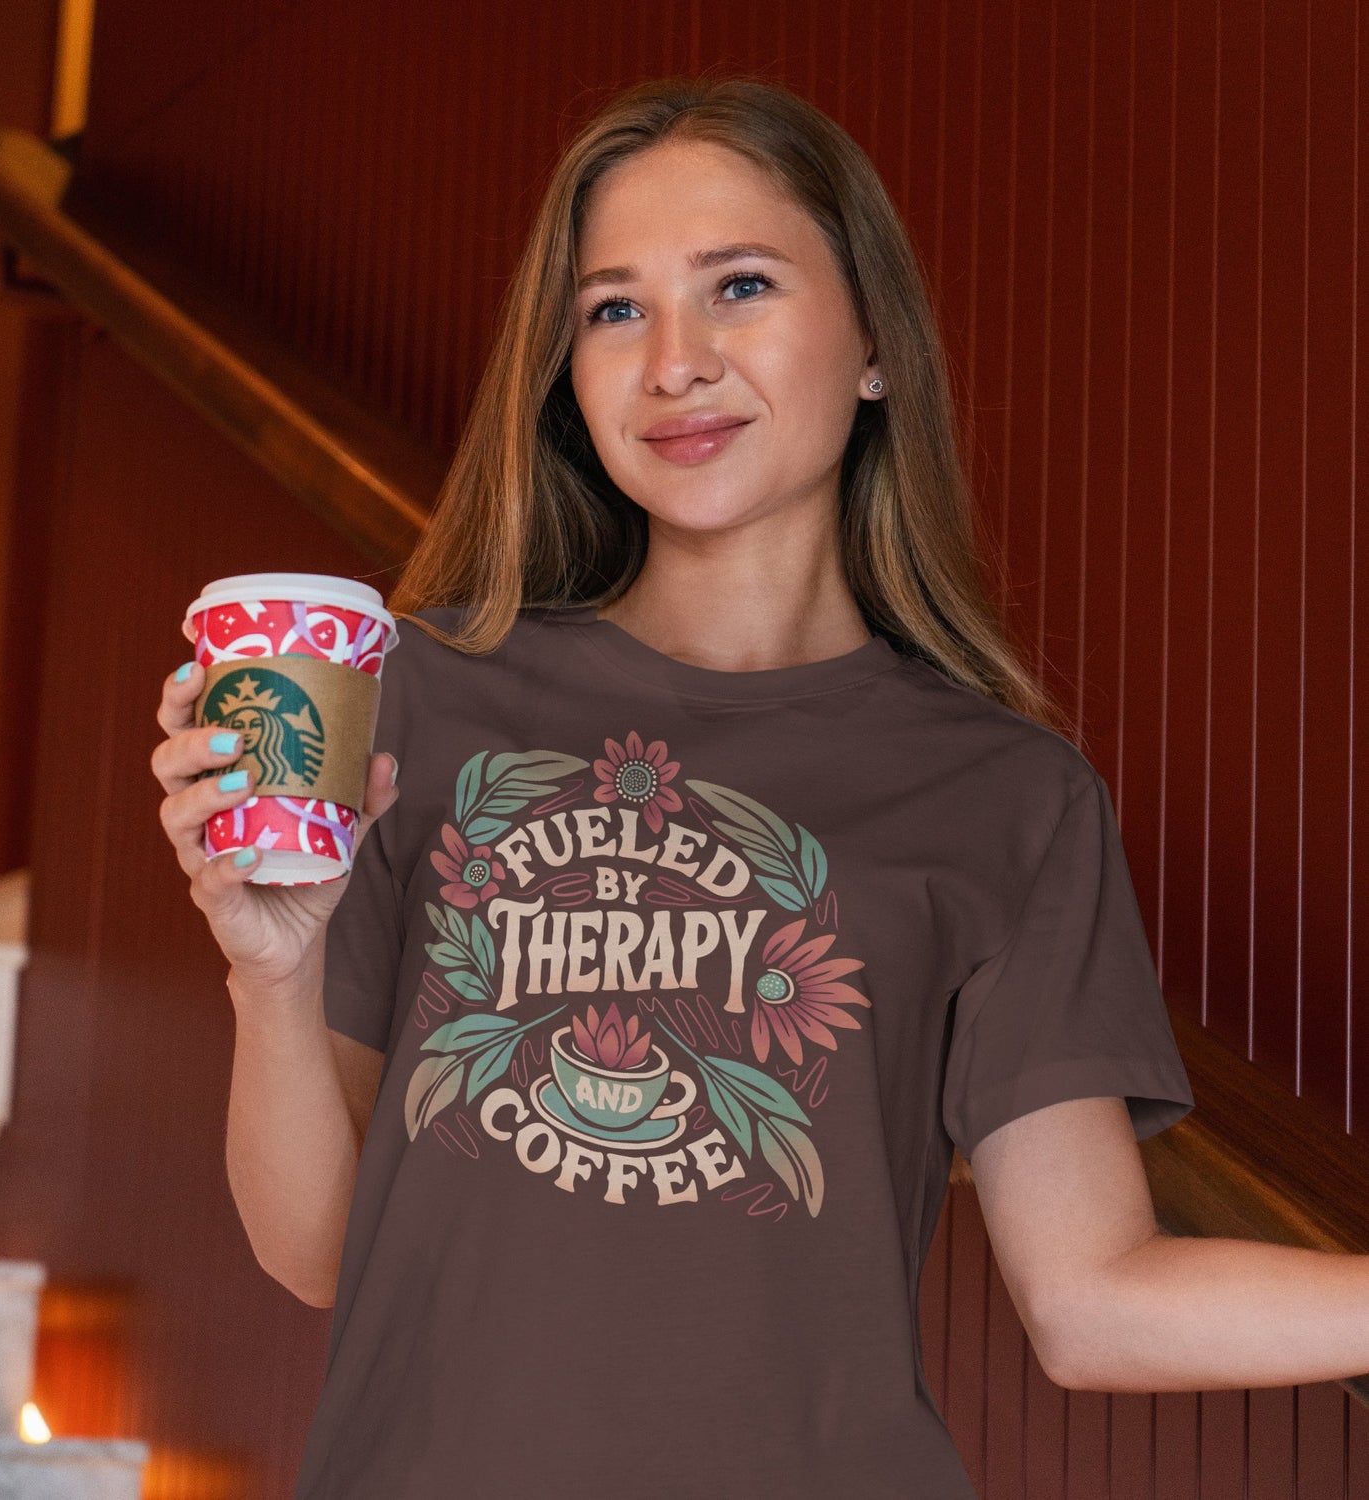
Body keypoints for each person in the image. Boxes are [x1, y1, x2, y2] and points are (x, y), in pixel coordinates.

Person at [151, 75, 1338, 1500]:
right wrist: (271, 978)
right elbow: (320, 1252)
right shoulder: (421, 701)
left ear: (878, 344)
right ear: (568, 374)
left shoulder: (1008, 798)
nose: (674, 362)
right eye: (613, 310)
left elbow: (1094, 1301)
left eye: (741, 287)